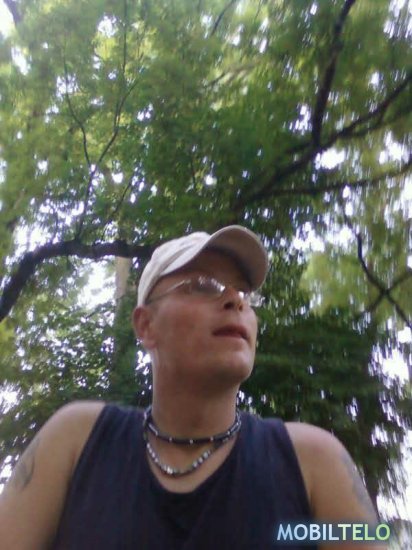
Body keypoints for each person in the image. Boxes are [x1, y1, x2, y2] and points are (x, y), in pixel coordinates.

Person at [0, 225, 385, 549]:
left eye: (244, 294)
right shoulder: (77, 441)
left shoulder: (314, 461)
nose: (235, 300)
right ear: (146, 325)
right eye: (203, 285)